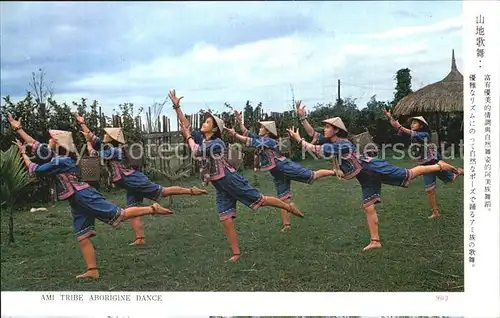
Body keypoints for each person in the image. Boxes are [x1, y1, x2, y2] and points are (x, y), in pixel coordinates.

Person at [291, 106, 461, 251]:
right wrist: (302, 117)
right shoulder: (332, 141)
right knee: (368, 206)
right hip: (365, 177)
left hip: (373, 168)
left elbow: (318, 149)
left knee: (409, 174)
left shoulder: (342, 144)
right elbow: (313, 134)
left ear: (336, 130)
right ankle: (375, 241)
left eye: (327, 127)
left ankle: (440, 166)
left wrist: (300, 142)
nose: (324, 130)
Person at [11, 130, 173, 280]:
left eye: (51, 139)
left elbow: (35, 169)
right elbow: (36, 145)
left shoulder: (62, 160)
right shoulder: (55, 156)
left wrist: (24, 153)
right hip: (76, 200)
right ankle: (92, 270)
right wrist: (18, 129)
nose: (47, 142)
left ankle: (152, 208)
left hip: (85, 196)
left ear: (58, 144)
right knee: (82, 235)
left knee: (120, 215)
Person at [169, 89, 304, 262]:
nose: (204, 123)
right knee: (225, 218)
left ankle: (288, 207)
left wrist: (188, 137)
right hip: (220, 185)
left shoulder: (216, 143)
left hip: (230, 180)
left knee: (260, 200)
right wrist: (177, 107)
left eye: (208, 122)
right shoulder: (205, 139)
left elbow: (196, 151)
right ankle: (236, 253)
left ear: (215, 128)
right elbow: (186, 124)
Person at [75, 114, 208, 246]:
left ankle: (191, 190)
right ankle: (140, 238)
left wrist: (85, 133)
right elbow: (92, 145)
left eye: (106, 134)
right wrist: (85, 131)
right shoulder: (108, 149)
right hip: (129, 182)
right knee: (132, 208)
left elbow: (95, 148)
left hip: (134, 180)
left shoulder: (114, 151)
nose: (104, 136)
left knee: (163, 192)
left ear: (111, 138)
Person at [225, 104, 337, 232]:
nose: (259, 129)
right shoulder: (261, 138)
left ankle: (334, 172)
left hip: (284, 166)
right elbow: (247, 134)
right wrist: (240, 122)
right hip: (276, 170)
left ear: (267, 130)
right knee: (283, 197)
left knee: (311, 175)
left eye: (261, 127)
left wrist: (235, 135)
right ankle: (287, 225)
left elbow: (248, 141)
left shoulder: (268, 141)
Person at [383, 111, 464, 219]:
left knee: (451, 179)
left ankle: (461, 171)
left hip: (435, 162)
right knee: (430, 190)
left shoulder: (424, 134)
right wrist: (390, 118)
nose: (412, 124)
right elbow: (399, 129)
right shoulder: (412, 135)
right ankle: (435, 212)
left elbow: (403, 129)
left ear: (421, 125)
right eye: (412, 123)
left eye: (415, 123)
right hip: (425, 166)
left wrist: (399, 126)